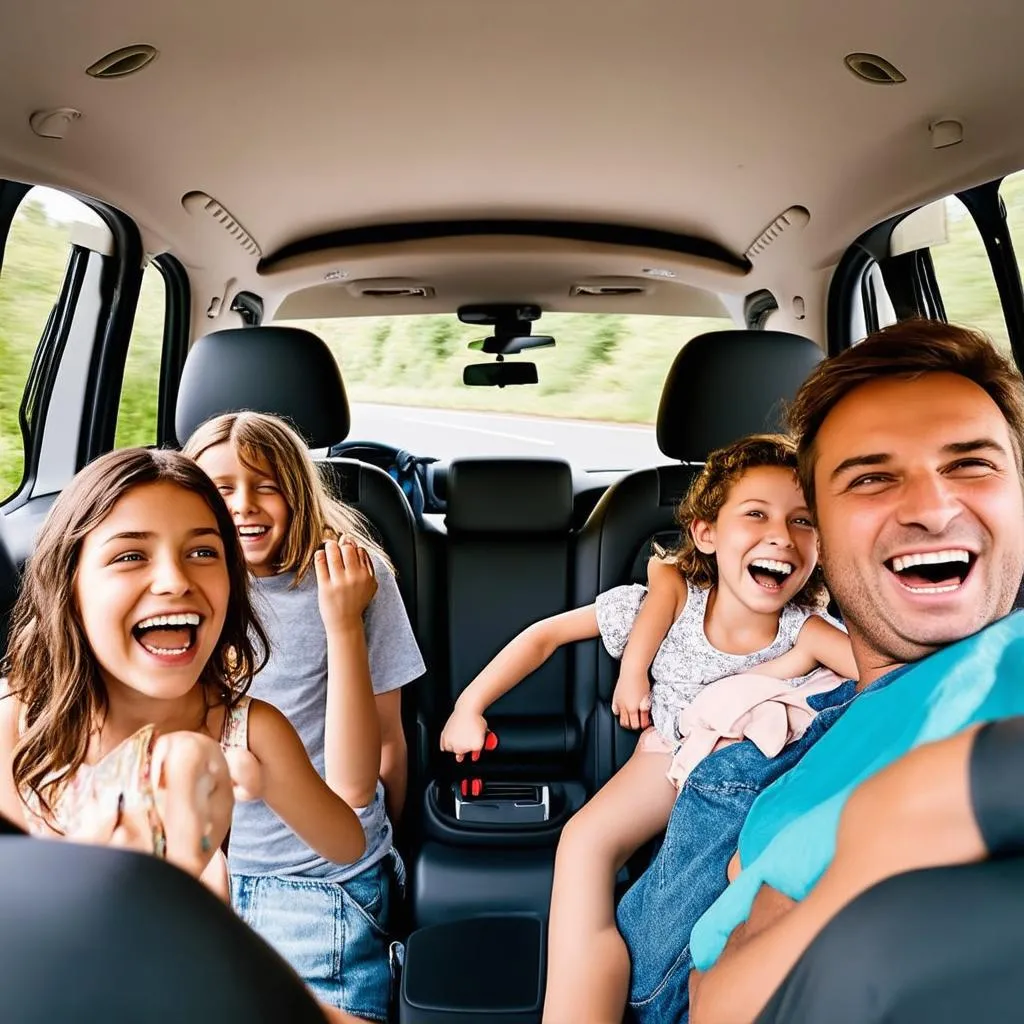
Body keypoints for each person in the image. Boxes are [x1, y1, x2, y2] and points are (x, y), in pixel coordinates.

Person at [610, 319, 1024, 1024]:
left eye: (971, 464)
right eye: (871, 478)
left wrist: (902, 820)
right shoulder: (787, 740)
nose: (930, 508)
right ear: (821, 537)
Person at [439, 434, 855, 1023]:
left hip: (750, 778)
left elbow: (882, 678)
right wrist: (469, 706)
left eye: (803, 521)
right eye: (756, 514)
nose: (781, 537)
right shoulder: (666, 606)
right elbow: (544, 636)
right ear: (706, 533)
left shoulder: (808, 630)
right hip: (662, 760)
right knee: (583, 846)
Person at [0, 448, 368, 904]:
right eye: (131, 555)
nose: (175, 580)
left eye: (202, 551)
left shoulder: (246, 732)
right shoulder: (21, 714)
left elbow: (347, 844)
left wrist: (267, 781)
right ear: (70, 585)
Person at [185, 411, 425, 1024]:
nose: (244, 505)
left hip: (318, 876)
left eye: (266, 486)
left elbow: (386, 746)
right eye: (221, 488)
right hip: (201, 871)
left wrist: (377, 845)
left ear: (297, 489)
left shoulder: (351, 580)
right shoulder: (182, 588)